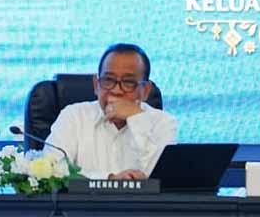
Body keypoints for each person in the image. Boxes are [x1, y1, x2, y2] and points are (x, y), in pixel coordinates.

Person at [45, 43, 177, 179]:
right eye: (108, 80)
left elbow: (159, 180)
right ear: (96, 85)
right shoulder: (74, 117)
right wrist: (111, 180)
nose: (116, 90)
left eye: (128, 82)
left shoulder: (163, 123)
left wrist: (137, 119)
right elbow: (51, 172)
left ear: (146, 90)